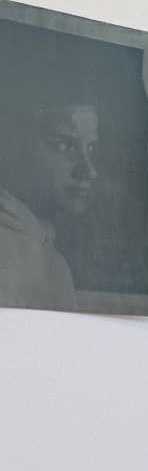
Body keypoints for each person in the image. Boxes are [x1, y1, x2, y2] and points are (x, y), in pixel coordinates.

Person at [0, 96, 95, 311]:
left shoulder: (41, 245)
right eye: (63, 145)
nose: (89, 171)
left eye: (91, 148)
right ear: (14, 147)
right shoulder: (12, 251)